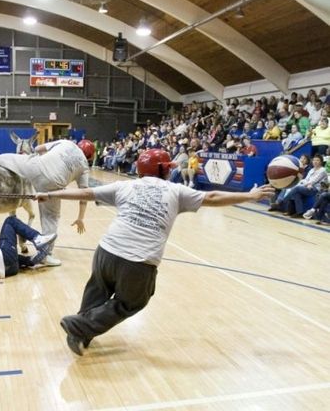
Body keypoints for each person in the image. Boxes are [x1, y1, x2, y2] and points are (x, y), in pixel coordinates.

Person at [35, 149, 275, 356]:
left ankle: (80, 334)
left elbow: (86, 193)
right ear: (163, 170)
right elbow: (212, 196)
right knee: (133, 301)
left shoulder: (124, 186)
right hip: (138, 260)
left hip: (106, 251)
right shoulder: (176, 191)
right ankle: (79, 326)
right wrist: (249, 195)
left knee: (98, 290)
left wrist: (52, 194)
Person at [0, 138, 90, 266]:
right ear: (89, 156)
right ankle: (46, 255)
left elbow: (37, 149)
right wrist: (80, 218)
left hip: (38, 167)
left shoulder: (67, 143)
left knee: (15, 160)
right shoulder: (85, 166)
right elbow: (84, 195)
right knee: (51, 217)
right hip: (54, 186)